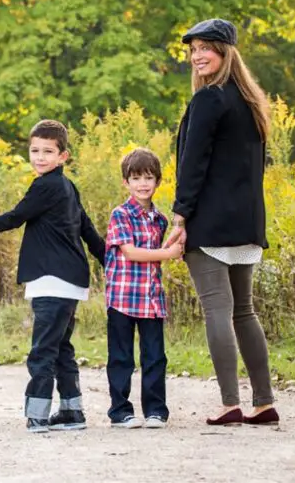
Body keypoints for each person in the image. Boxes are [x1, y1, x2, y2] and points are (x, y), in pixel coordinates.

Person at [169, 17, 280, 426]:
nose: (197, 55)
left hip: (211, 223)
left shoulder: (208, 100)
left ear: (225, 52)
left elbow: (192, 164)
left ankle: (229, 402)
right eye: (193, 49)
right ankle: (264, 402)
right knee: (244, 312)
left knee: (217, 309)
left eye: (205, 48)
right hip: (247, 222)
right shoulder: (250, 103)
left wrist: (180, 215)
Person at [0, 120, 107, 433]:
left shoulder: (45, 186)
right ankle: (72, 411)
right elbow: (87, 229)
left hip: (53, 278)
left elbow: (17, 216)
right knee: (61, 348)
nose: (39, 157)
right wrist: (108, 260)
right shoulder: (67, 187)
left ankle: (37, 414)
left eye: (48, 151)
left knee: (43, 350)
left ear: (63, 156)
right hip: (70, 281)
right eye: (35, 150)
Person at [103, 147, 181, 429]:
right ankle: (120, 411)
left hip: (151, 299)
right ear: (126, 182)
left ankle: (156, 411)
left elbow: (171, 244)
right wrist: (168, 254)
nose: (143, 184)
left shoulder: (160, 220)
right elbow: (131, 252)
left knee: (155, 357)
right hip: (122, 298)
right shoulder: (120, 214)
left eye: (149, 178)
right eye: (136, 178)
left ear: (158, 181)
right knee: (121, 357)